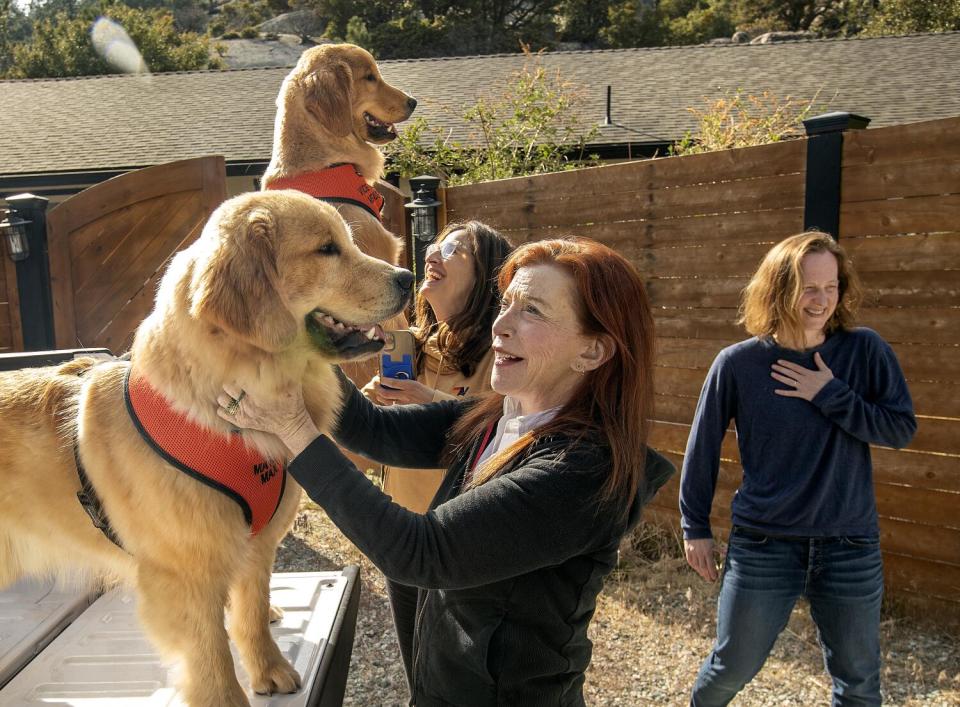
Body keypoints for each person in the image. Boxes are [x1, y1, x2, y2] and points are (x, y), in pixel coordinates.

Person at [217, 237, 675, 706]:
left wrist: (295, 430)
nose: (501, 324)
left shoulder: (581, 472)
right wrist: (296, 324)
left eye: (532, 311)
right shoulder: (500, 416)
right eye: (507, 303)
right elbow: (370, 429)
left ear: (593, 352)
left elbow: (423, 554)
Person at [679, 231, 916, 707]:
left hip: (849, 545)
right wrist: (695, 526)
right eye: (810, 288)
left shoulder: (864, 351)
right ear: (779, 288)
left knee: (859, 684)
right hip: (765, 543)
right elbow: (701, 446)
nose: (822, 300)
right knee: (730, 669)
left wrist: (829, 393)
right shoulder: (739, 363)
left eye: (831, 288)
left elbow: (899, 429)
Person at [360, 219, 513, 695]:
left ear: (487, 276)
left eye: (455, 248)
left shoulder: (503, 356)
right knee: (419, 681)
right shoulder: (410, 351)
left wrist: (427, 403)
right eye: (434, 244)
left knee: (469, 684)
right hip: (404, 546)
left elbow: (505, 431)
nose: (434, 252)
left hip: (465, 555)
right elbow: (358, 442)